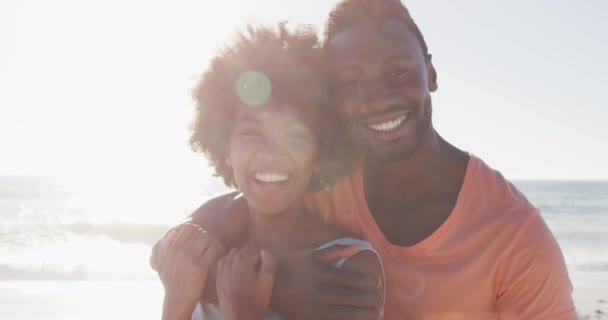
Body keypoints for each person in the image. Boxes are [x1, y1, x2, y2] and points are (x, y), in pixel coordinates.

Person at [152, 0, 577, 319]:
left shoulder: (515, 237)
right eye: (350, 82)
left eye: (397, 73)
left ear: (429, 72)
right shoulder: (321, 180)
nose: (377, 100)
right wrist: (282, 289)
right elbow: (187, 248)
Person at [156, 24, 385, 320]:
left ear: (320, 153)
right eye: (252, 133)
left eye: (294, 137)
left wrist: (243, 312)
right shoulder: (206, 249)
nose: (271, 153)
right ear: (225, 146)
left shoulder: (347, 267)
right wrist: (176, 303)